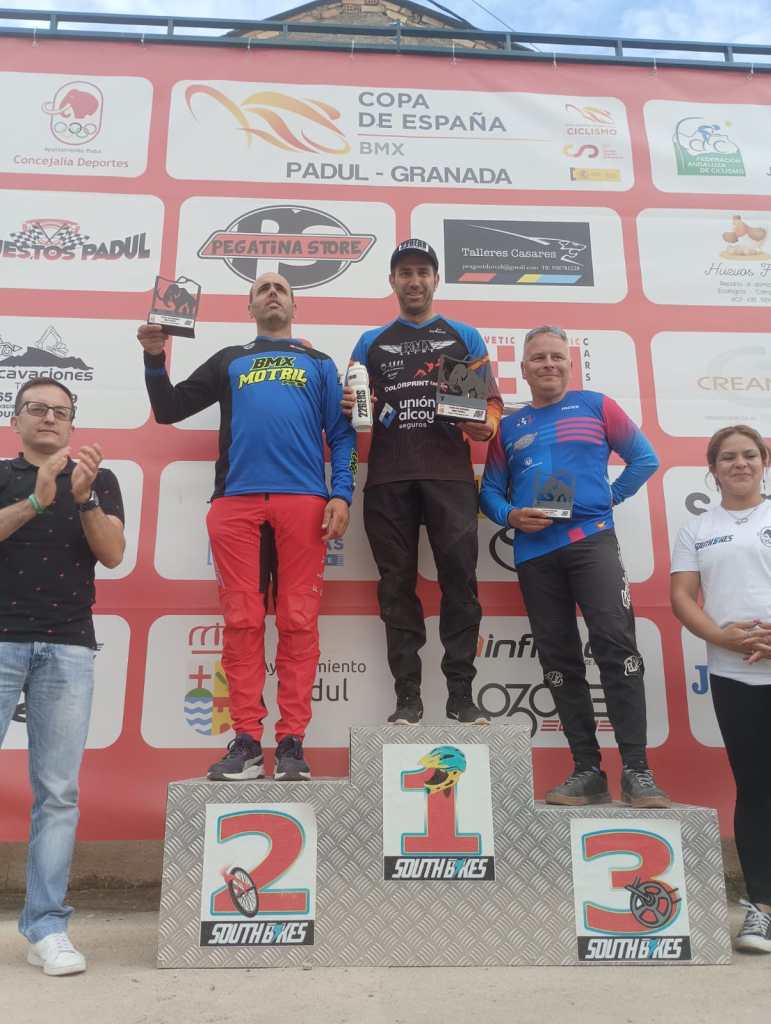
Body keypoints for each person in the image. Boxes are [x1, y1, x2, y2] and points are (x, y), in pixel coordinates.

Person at [137, 272, 355, 783]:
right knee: (242, 622)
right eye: (263, 289)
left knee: (299, 621)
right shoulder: (230, 359)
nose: (272, 293)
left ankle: (293, 742)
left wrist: (342, 494)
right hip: (235, 504)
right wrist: (153, 357)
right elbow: (169, 410)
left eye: (281, 289)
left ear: (295, 306)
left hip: (303, 503)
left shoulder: (320, 364)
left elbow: (343, 434)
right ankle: (247, 743)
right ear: (249, 307)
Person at [479, 325, 670, 807]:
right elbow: (490, 492)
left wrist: (607, 499)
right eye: (538, 358)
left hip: (591, 543)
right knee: (559, 659)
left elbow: (645, 459)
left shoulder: (597, 406)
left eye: (556, 357)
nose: (548, 364)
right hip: (535, 552)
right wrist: (510, 517)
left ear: (570, 364)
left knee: (615, 645)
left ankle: (637, 771)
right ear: (523, 369)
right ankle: (587, 770)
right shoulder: (511, 427)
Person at [343, 238, 502, 725]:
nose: (414, 281)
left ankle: (461, 696)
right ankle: (407, 698)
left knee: (461, 584)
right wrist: (348, 405)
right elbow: (352, 407)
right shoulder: (370, 342)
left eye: (422, 272)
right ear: (392, 281)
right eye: (405, 273)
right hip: (388, 479)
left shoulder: (463, 336)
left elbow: (489, 405)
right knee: (395, 588)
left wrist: (485, 425)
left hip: (449, 477)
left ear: (436, 279)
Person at [0, 378, 125, 976]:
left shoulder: (98, 479)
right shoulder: (3, 475)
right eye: (37, 409)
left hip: (69, 647)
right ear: (16, 418)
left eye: (60, 410)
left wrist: (82, 498)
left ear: (73, 421)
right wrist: (37, 499)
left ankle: (47, 928)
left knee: (58, 793)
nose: (49, 418)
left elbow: (113, 554)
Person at [671, 424, 771, 953]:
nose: (740, 464)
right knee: (756, 790)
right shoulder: (697, 528)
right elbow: (682, 597)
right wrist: (719, 636)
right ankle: (762, 909)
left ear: (764, 462)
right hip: (735, 675)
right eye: (728, 457)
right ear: (712, 469)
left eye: (749, 455)